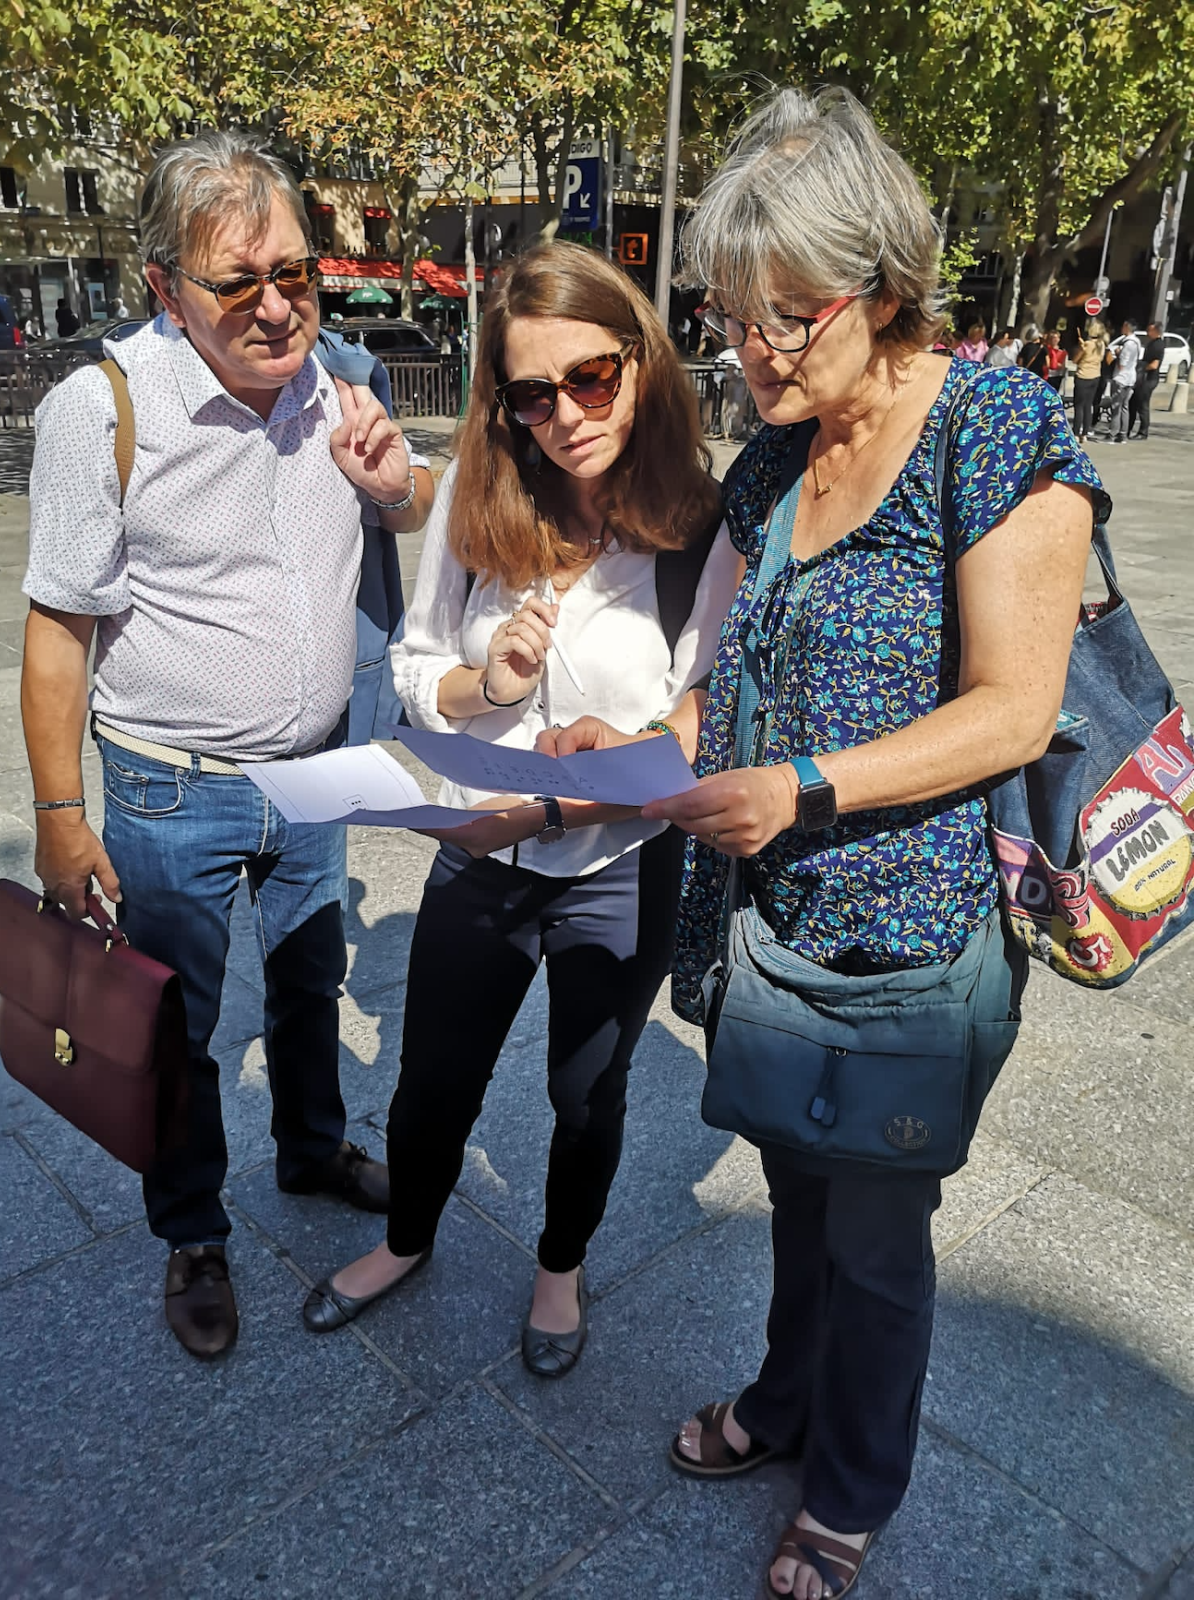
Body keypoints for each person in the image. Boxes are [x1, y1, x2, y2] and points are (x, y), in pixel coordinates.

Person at [548, 88, 1103, 1598]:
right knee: (798, 1198)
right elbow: (715, 685)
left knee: (874, 1237)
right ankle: (789, 1401)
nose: (753, 355)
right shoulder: (770, 461)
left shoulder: (996, 430)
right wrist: (632, 748)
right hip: (767, 927)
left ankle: (851, 1483)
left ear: (886, 287)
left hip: (905, 938)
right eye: (736, 318)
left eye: (789, 317)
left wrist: (799, 786)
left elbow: (1013, 711)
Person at [21, 129, 434, 1360]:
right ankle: (193, 1230)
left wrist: (396, 489)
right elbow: (57, 634)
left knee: (310, 980)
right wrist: (58, 818)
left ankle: (309, 1150)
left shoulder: (341, 376)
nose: (276, 307)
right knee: (177, 1024)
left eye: (296, 273)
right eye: (236, 282)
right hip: (166, 788)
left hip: (313, 769)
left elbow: (410, 509)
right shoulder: (100, 414)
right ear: (164, 286)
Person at [301, 242, 738, 1377]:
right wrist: (486, 685)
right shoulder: (478, 499)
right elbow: (411, 670)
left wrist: (588, 777)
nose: (564, 416)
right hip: (476, 861)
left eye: (590, 378)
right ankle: (407, 1238)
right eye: (532, 393)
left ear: (640, 362)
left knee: (584, 1095)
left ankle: (559, 1264)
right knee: (435, 1075)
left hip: (619, 866)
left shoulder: (704, 531)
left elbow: (705, 712)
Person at [1105, 318, 1143, 442]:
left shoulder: (1128, 344)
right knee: (1124, 407)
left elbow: (1122, 363)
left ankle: (1113, 434)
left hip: (1121, 378)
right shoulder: (1137, 342)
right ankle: (1123, 434)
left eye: (1123, 326)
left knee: (1116, 406)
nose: (1121, 328)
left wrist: (1117, 353)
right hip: (1131, 378)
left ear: (1127, 327)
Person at [1072, 317, 1108, 443]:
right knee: (1088, 405)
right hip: (1095, 376)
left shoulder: (1087, 345)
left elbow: (1075, 360)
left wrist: (1081, 349)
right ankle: (1085, 433)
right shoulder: (1101, 344)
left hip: (1083, 375)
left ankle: (1076, 432)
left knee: (1079, 406)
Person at [1129, 320, 1165, 440]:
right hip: (1144, 378)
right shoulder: (1152, 343)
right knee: (1134, 402)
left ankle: (1143, 432)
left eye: (1150, 330)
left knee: (1143, 404)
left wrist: (1141, 368)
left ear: (1156, 331)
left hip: (1149, 379)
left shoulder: (1158, 345)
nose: (1147, 332)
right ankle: (1128, 428)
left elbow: (1154, 365)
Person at [1043, 328, 1066, 392]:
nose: (1055, 340)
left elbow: (1061, 365)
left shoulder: (1062, 352)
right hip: (1046, 376)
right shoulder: (1045, 350)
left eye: (1057, 338)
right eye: (1053, 338)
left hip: (1056, 376)